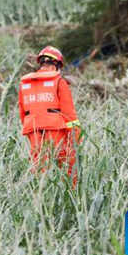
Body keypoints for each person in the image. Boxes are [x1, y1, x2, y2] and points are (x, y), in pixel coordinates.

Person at [17, 46, 81, 186]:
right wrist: (75, 136)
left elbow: (22, 112)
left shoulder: (24, 83)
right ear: (57, 64)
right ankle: (71, 193)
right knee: (66, 161)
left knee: (39, 164)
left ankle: (40, 194)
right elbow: (69, 114)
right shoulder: (59, 82)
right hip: (55, 127)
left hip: (32, 128)